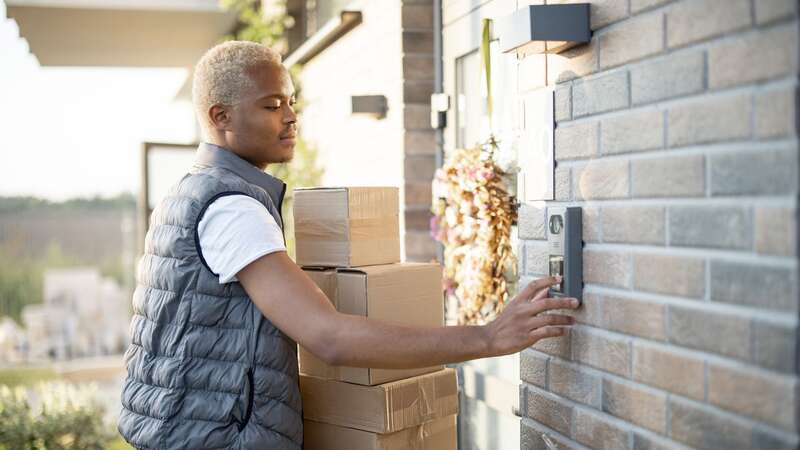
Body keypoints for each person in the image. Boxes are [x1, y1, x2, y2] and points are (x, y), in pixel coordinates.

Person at [118, 40, 579, 450]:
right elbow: (328, 336)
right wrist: (487, 337)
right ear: (221, 116)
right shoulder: (232, 208)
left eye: (291, 101)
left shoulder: (191, 190)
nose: (291, 116)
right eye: (272, 105)